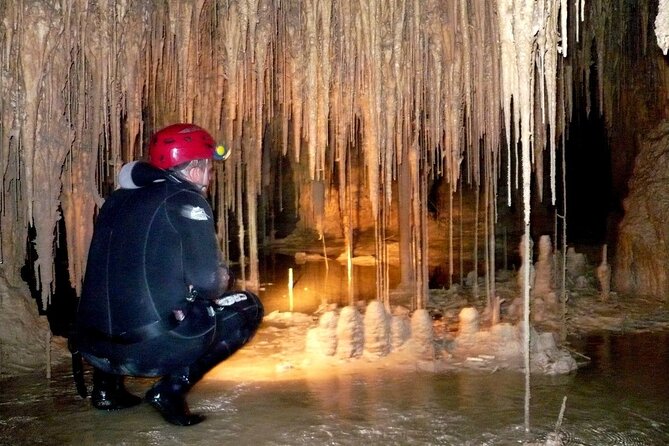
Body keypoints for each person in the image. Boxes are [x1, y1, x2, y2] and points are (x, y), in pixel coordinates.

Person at [74, 123, 263, 426]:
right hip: (147, 350)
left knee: (121, 290)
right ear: (194, 168)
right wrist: (224, 277)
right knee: (248, 306)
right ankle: (170, 389)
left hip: (93, 347)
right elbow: (209, 284)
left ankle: (107, 389)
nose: (210, 176)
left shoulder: (117, 200)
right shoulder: (186, 200)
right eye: (208, 168)